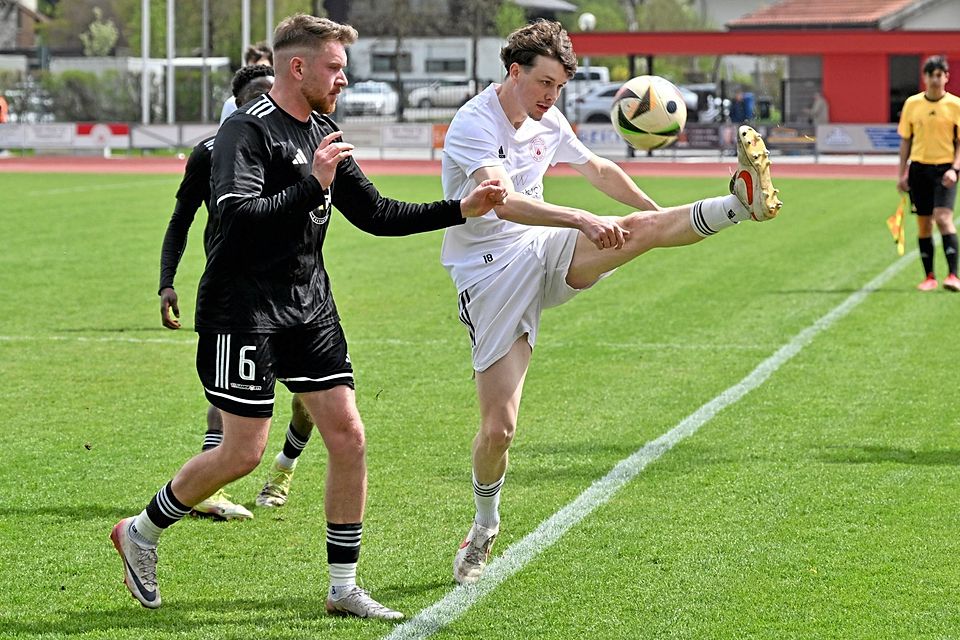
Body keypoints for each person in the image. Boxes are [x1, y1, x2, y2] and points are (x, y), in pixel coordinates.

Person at [112, 13, 506, 618]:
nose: (344, 78)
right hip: (242, 309)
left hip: (309, 304)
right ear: (298, 67)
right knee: (243, 454)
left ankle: (343, 588)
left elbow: (375, 213)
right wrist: (310, 182)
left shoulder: (323, 128)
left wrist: (462, 207)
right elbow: (237, 217)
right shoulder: (246, 133)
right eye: (335, 67)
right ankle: (140, 531)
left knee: (348, 436)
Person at [439, 19, 782, 585]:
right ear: (515, 71)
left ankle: (740, 205)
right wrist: (580, 216)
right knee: (499, 430)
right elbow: (500, 204)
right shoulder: (474, 123)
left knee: (636, 230)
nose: (552, 97)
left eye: (560, 87)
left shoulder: (548, 117)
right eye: (545, 83)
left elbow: (596, 167)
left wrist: (651, 215)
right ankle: (483, 529)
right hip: (489, 274)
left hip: (543, 249)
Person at [159, 64, 313, 520]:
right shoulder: (210, 151)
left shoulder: (298, 143)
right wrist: (167, 280)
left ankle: (283, 470)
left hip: (296, 291)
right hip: (238, 294)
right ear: (238, 104)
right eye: (256, 96)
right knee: (228, 399)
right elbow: (182, 219)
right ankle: (207, 489)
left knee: (315, 397)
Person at [896, 55, 960, 292]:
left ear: (946, 77)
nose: (935, 79)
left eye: (939, 74)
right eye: (931, 74)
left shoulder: (955, 105)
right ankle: (929, 277)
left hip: (945, 170)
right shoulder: (912, 104)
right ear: (924, 77)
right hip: (919, 170)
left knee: (943, 219)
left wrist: (955, 168)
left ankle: (953, 275)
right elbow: (906, 141)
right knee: (924, 225)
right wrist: (902, 174)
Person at [219, 41, 273, 124]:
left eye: (264, 69)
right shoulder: (231, 103)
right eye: (254, 68)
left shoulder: (281, 100)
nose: (258, 73)